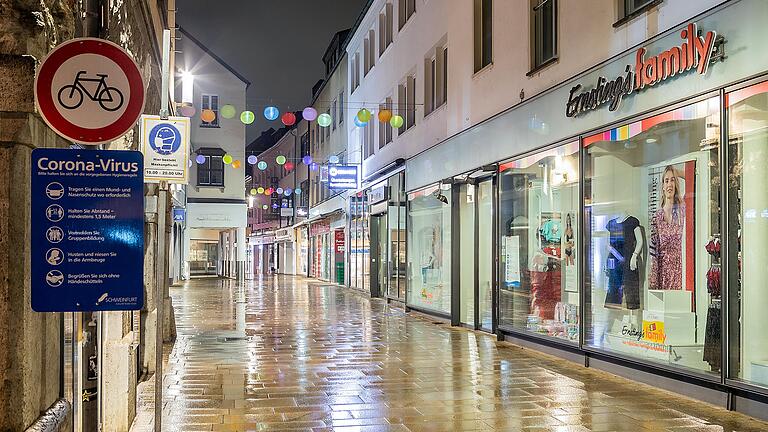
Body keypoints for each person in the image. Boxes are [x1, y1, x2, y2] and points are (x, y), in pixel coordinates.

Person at [649, 165, 685, 290]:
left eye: (672, 180)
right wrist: (653, 285)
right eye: (666, 180)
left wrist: (677, 172)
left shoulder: (682, 211)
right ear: (663, 186)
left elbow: (693, 177)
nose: (669, 184)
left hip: (681, 273)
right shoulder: (657, 217)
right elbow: (653, 252)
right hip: (664, 276)